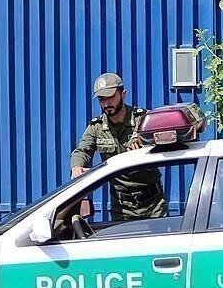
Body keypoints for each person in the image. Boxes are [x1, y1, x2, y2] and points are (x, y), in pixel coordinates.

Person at [70, 72, 167, 221]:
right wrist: (77, 167)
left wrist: (146, 145)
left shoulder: (143, 119)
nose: (106, 103)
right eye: (101, 99)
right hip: (122, 207)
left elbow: (162, 143)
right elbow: (82, 151)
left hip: (153, 204)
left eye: (110, 97)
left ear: (123, 94)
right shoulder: (97, 127)